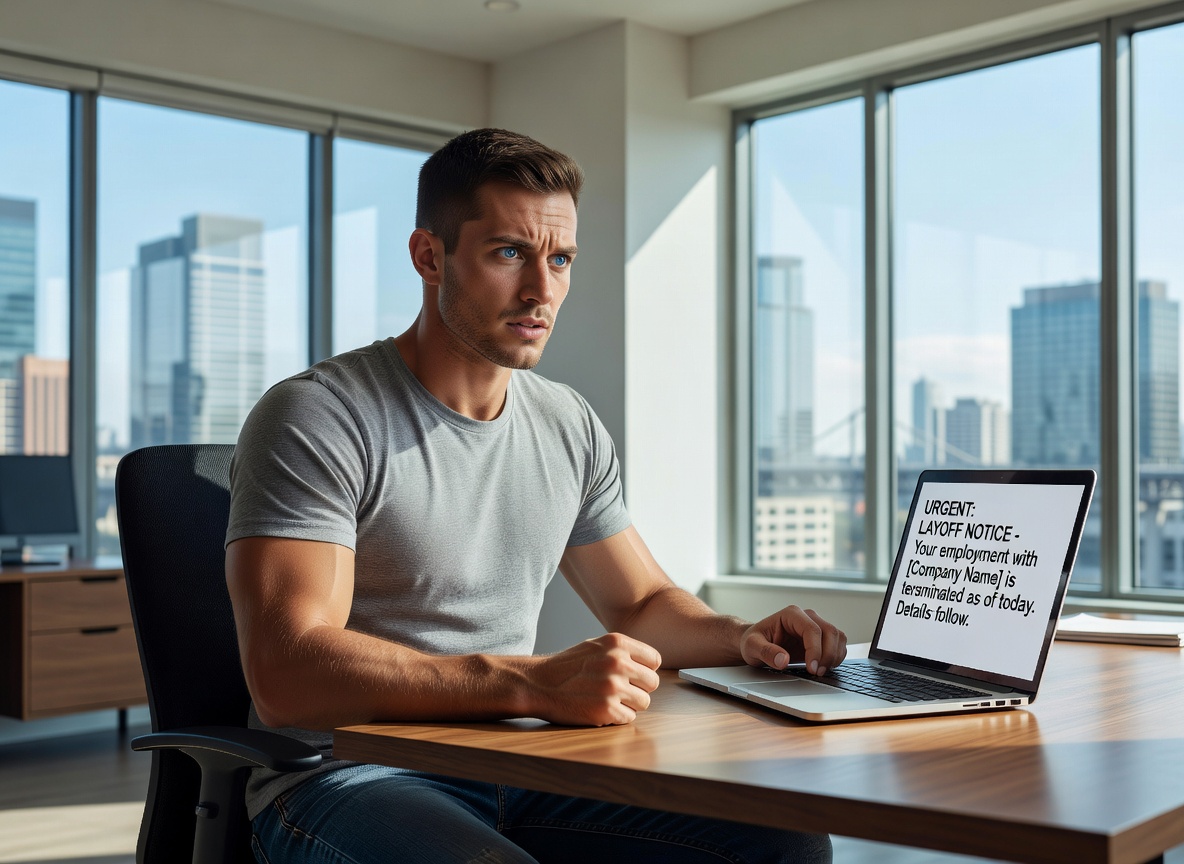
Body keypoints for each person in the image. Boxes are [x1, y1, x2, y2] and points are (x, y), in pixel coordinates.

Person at [225, 127, 848, 864]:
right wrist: (529, 684)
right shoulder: (319, 415)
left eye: (560, 260)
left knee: (785, 844)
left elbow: (641, 604)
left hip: (516, 760)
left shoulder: (566, 422)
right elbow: (287, 672)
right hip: (346, 773)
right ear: (429, 257)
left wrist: (739, 638)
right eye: (509, 253)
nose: (542, 292)